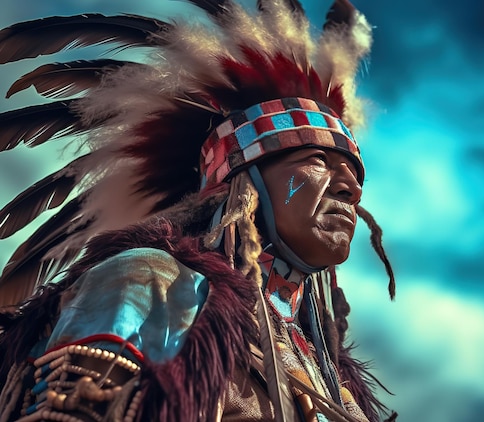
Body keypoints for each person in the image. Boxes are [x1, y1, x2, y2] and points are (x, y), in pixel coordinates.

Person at [0, 0, 397, 420]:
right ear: (243, 184)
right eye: (317, 161)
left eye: (354, 173)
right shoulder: (153, 283)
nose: (351, 187)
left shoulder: (326, 369)